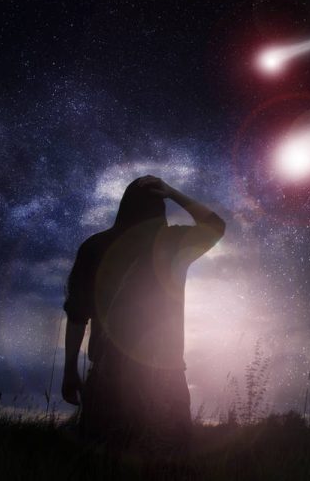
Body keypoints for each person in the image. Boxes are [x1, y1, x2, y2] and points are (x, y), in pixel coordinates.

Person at [61, 175, 225, 457]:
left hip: (106, 374)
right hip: (165, 374)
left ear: (124, 206)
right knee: (168, 464)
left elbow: (77, 315)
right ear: (159, 207)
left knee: (105, 459)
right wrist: (173, 193)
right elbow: (215, 226)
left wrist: (69, 371)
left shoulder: (94, 247)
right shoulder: (172, 243)